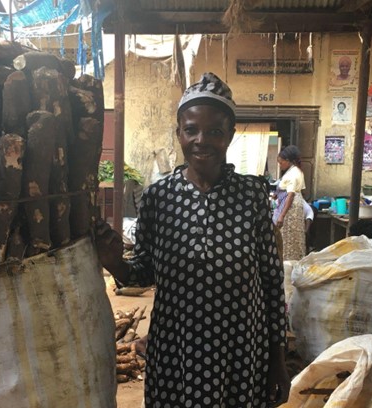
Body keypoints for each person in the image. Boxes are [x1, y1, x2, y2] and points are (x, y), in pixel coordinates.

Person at [96, 72, 290, 408]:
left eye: (215, 131)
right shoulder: (158, 197)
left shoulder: (251, 195)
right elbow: (144, 273)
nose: (202, 140)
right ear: (179, 133)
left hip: (242, 353)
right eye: (191, 130)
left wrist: (278, 359)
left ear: (230, 135)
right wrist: (114, 261)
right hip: (178, 353)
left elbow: (272, 283)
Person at [273, 145, 307, 261]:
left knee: (289, 238)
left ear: (287, 161)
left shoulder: (293, 173)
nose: (280, 165)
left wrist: (282, 215)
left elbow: (290, 195)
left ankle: (289, 263)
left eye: (281, 162)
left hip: (290, 207)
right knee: (289, 237)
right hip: (290, 203)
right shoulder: (293, 171)